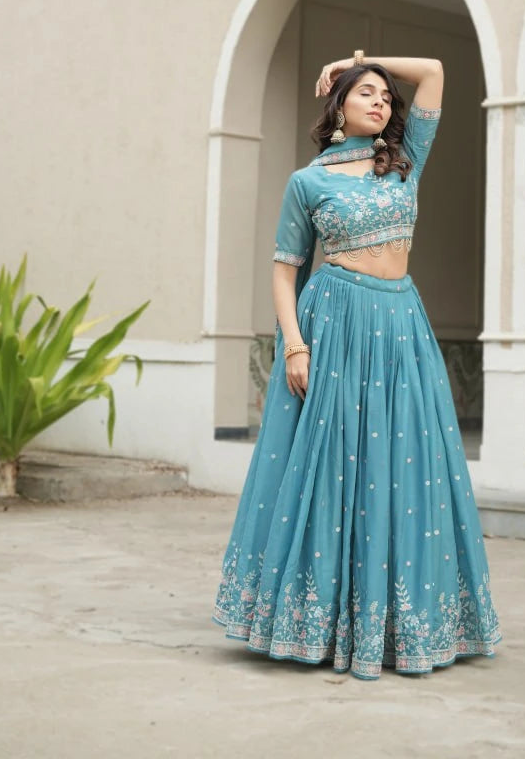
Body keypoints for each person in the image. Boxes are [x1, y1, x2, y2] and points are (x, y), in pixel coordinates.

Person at [212, 52, 501, 679]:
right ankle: (315, 622)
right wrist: (294, 343)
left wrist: (358, 58)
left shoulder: (403, 164)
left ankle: (395, 623)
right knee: (333, 469)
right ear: (338, 106)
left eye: (385, 98)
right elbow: (285, 267)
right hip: (334, 325)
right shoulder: (307, 182)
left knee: (403, 466)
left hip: (400, 326)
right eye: (366, 92)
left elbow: (434, 73)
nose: (381, 102)